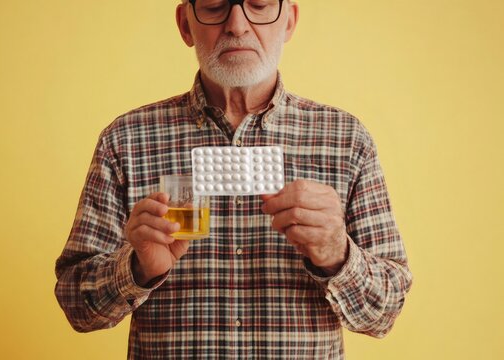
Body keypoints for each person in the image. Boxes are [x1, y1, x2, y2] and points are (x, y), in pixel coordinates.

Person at [55, 0, 412, 358]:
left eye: (259, 5)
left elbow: (385, 312)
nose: (237, 25)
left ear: (288, 21)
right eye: (214, 6)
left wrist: (338, 254)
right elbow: (77, 307)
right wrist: (137, 268)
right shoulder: (126, 141)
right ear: (184, 24)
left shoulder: (346, 141)